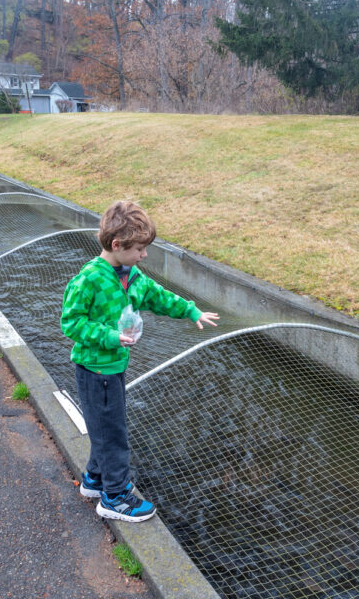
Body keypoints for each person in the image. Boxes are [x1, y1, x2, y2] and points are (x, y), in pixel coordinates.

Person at [60, 201, 219, 522]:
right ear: (117, 245)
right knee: (114, 434)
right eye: (139, 249)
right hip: (95, 370)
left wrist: (191, 311)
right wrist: (110, 337)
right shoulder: (89, 280)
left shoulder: (130, 276)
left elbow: (159, 297)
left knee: (105, 428)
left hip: (114, 368)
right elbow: (71, 323)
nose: (144, 255)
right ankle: (115, 497)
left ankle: (94, 479)